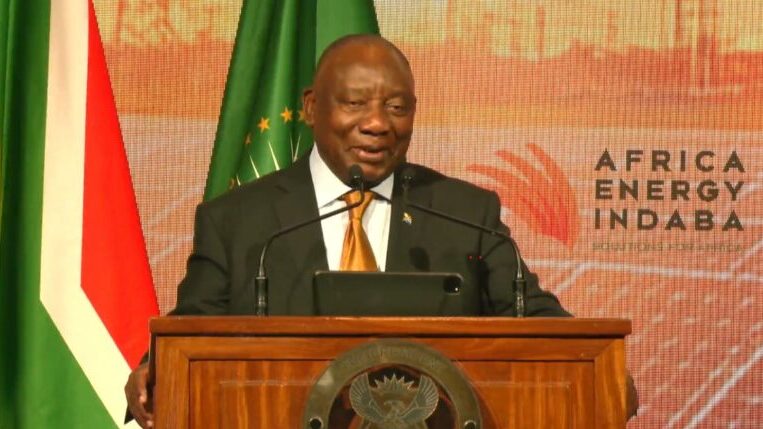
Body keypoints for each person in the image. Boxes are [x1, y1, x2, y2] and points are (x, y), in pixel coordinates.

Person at [126, 34, 635, 427]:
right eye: (354, 104)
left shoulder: (465, 213)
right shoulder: (238, 219)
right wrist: (155, 370)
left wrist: (598, 372)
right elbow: (195, 326)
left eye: (396, 107)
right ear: (311, 108)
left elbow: (536, 317)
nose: (377, 124)